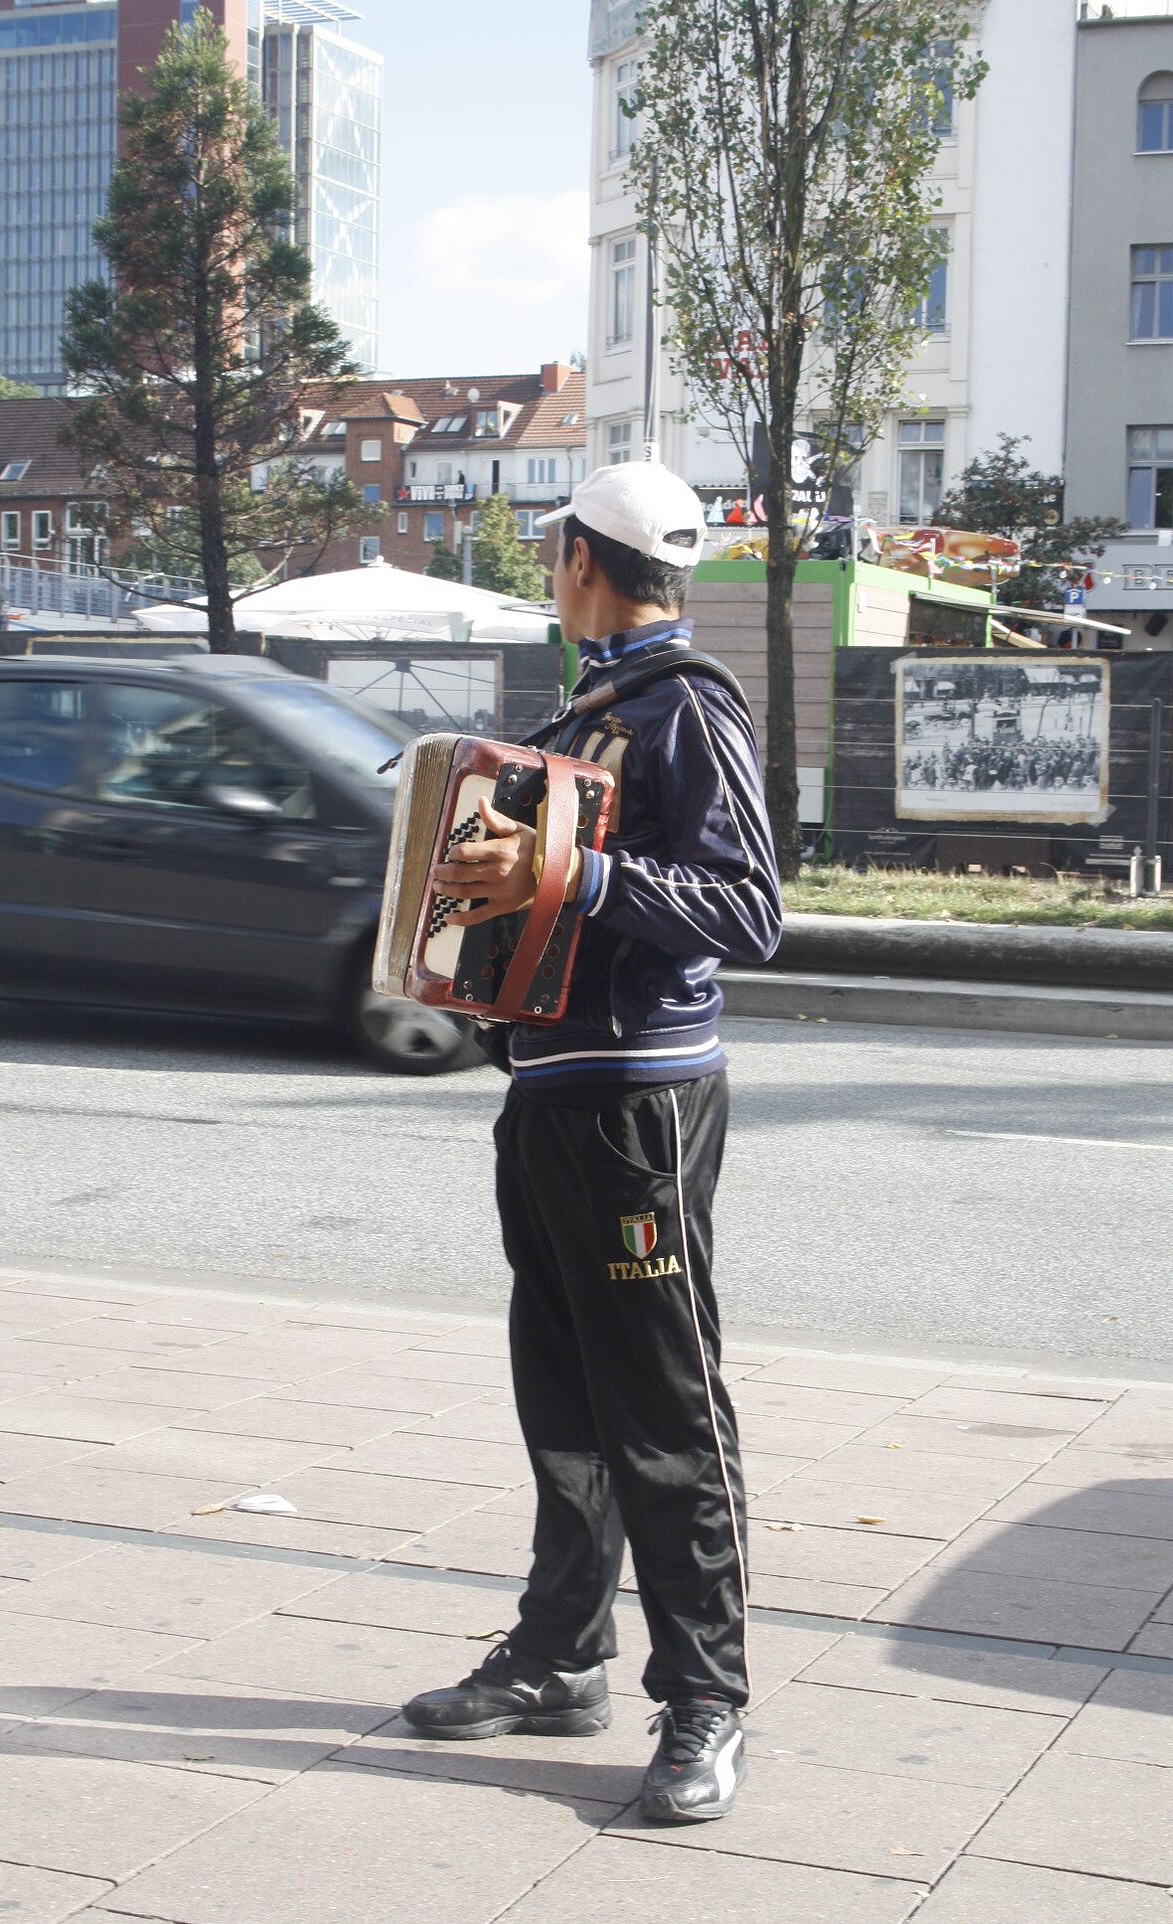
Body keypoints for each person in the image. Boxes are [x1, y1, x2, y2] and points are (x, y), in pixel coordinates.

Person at [399, 461, 782, 1824]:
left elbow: (749, 909)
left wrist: (564, 872)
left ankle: (708, 1699)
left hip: (641, 1104)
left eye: (551, 553)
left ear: (577, 560)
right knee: (562, 1393)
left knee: (666, 1410)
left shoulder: (685, 706)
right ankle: (562, 1654)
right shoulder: (586, 711)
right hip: (551, 1090)